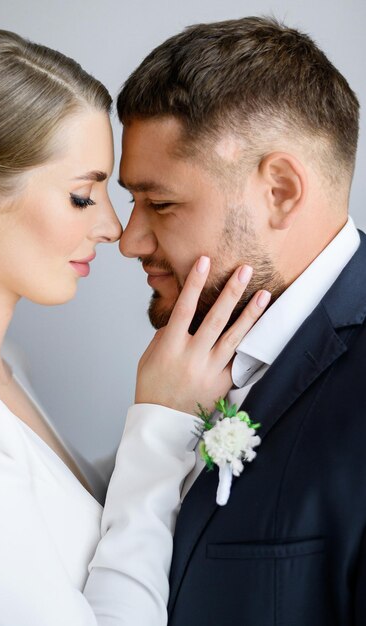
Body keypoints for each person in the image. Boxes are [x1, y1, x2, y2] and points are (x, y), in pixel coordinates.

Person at [0, 29, 269, 625]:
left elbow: (68, 528)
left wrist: (185, 409)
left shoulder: (0, 368)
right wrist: (159, 425)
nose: (115, 229)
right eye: (82, 196)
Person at [117, 16, 365, 626]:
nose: (128, 241)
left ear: (280, 190)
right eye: (132, 202)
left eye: (161, 203)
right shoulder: (197, 365)